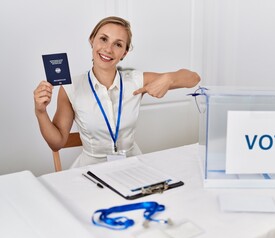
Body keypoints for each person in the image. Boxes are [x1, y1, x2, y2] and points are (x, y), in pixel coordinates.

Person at [33, 16, 200, 167]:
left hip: (133, 165)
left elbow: (193, 79)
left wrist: (169, 78)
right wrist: (40, 111)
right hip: (90, 172)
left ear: (124, 53)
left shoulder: (135, 80)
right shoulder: (71, 87)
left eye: (118, 44)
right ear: (92, 40)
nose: (108, 49)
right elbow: (57, 143)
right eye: (103, 39)